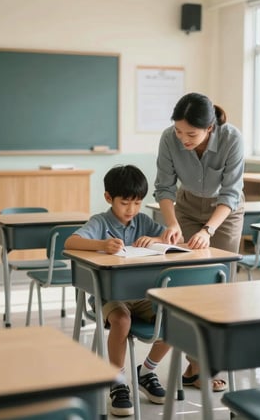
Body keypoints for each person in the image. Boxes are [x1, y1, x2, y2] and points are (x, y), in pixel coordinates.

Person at [154, 92, 245, 392]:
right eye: (179, 131)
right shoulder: (169, 138)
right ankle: (197, 366)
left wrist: (208, 230)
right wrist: (172, 223)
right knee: (191, 284)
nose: (183, 139)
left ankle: (204, 364)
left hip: (225, 213)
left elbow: (230, 193)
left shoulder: (231, 138)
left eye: (190, 133)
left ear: (210, 128)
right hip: (187, 207)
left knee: (220, 284)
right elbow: (164, 187)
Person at [65, 164, 171, 417]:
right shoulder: (100, 222)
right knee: (121, 321)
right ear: (108, 198)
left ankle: (146, 372)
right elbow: (71, 242)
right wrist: (102, 245)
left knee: (176, 318)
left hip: (142, 295)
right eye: (125, 203)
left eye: (137, 203)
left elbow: (170, 238)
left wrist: (155, 240)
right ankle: (117, 381)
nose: (131, 210)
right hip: (109, 296)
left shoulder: (143, 221)